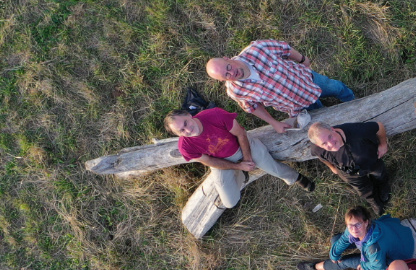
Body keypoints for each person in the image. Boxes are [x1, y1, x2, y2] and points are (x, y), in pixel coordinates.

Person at [164, 108, 315, 206]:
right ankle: (241, 175)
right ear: (178, 135)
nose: (187, 129)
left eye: (185, 122)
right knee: (229, 202)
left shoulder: (214, 115)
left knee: (273, 168)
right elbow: (209, 161)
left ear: (189, 115)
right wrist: (238, 166)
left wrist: (247, 159)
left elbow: (240, 134)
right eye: (182, 130)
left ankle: (296, 177)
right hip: (221, 160)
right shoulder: (185, 147)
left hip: (242, 145)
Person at [206, 39, 356, 132]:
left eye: (228, 67)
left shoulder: (258, 49)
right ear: (222, 80)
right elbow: (252, 107)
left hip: (309, 80)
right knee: (322, 116)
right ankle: (343, 123)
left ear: (227, 59)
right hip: (297, 104)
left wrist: (303, 59)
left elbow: (285, 48)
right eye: (226, 75)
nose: (231, 73)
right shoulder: (235, 91)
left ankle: (354, 102)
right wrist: (274, 123)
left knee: (337, 88)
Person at [296, 206, 414, 270]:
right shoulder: (357, 228)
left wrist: (363, 266)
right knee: (336, 240)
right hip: (394, 234)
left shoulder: (374, 248)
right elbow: (343, 240)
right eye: (350, 225)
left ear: (366, 222)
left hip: (400, 252)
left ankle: (314, 267)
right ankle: (333, 261)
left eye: (357, 225)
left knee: (345, 261)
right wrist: (334, 255)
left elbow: (378, 266)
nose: (353, 229)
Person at [307, 120, 391, 212]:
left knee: (380, 174)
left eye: (330, 137)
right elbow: (321, 157)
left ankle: (383, 187)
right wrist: (331, 167)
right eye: (324, 143)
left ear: (332, 129)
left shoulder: (357, 131)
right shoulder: (316, 149)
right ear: (318, 145)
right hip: (347, 172)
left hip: (371, 161)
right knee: (363, 190)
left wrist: (383, 144)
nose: (331, 144)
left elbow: (379, 126)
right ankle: (374, 201)